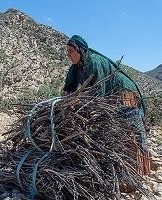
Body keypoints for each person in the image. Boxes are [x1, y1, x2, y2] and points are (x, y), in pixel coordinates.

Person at [62, 35, 150, 176]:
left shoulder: (94, 62)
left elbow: (98, 95)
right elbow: (67, 89)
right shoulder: (75, 68)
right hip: (111, 96)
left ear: (80, 50)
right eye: (66, 51)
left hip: (124, 92)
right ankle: (125, 171)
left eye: (70, 51)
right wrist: (67, 98)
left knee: (131, 130)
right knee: (118, 129)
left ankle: (141, 171)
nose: (68, 55)